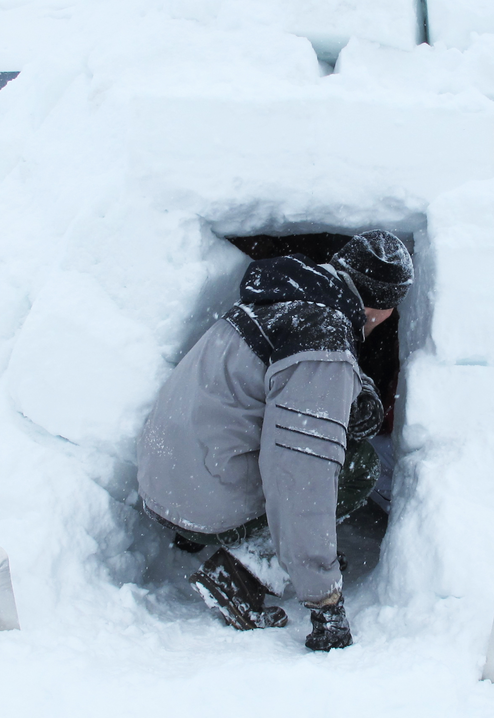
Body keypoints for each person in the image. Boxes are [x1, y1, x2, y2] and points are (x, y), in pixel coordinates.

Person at [137, 230, 413, 651]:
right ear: (384, 307)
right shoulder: (323, 339)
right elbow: (300, 475)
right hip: (206, 503)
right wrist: (323, 598)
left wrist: (351, 388)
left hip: (166, 482)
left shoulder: (286, 294)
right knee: (356, 467)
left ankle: (200, 536)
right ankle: (245, 572)